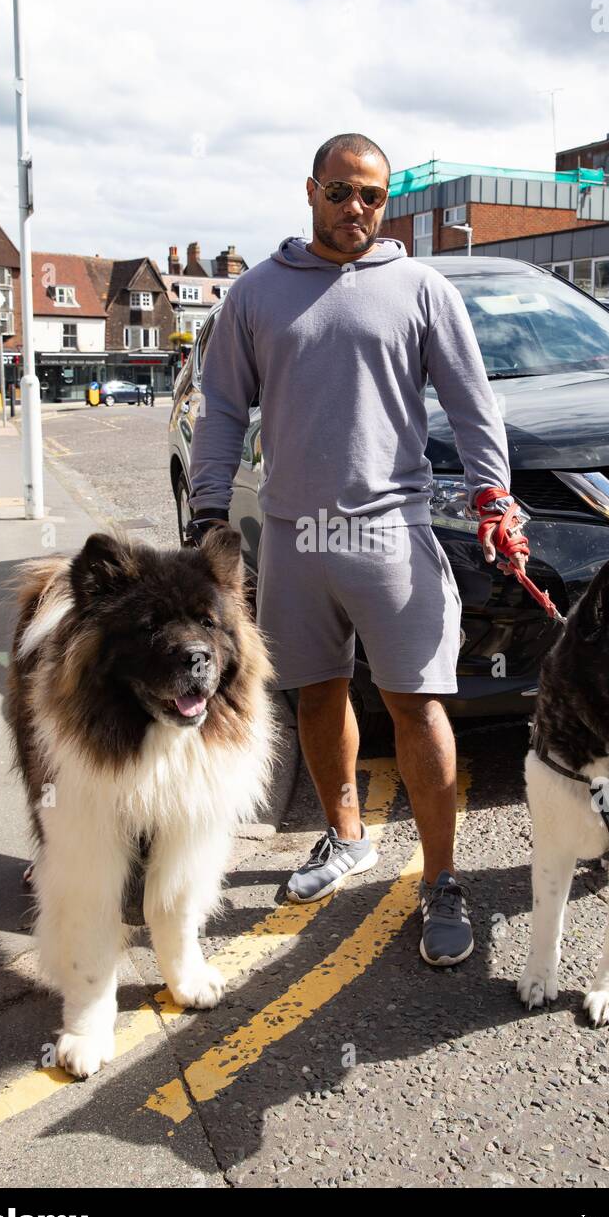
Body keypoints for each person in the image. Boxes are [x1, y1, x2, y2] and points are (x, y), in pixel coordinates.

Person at [187, 132, 527, 966]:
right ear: (312, 191)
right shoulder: (257, 295)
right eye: (340, 192)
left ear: (387, 202)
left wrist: (494, 495)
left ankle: (441, 879)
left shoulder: (421, 289)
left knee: (417, 704)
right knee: (314, 693)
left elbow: (473, 405)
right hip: (297, 537)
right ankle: (345, 835)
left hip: (392, 532)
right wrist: (205, 511)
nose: (355, 209)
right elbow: (224, 407)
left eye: (371, 196)